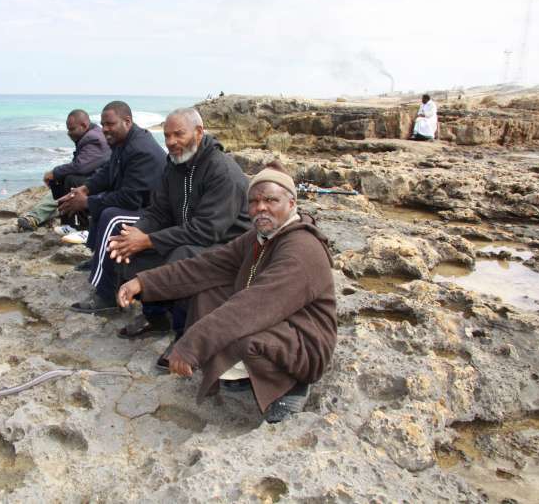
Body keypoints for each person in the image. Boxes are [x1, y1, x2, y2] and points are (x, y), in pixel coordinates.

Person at [116, 162, 338, 423]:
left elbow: (252, 307)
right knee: (206, 294)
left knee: (241, 336)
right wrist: (143, 282)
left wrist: (191, 345)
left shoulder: (301, 249)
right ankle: (245, 374)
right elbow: (206, 266)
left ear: (291, 204)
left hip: (306, 342)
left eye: (270, 200)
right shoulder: (260, 236)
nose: (260, 208)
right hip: (276, 319)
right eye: (254, 202)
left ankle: (291, 386)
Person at [104, 107, 250, 365]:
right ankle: (157, 316)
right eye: (167, 136)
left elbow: (208, 229)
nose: (171, 142)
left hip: (229, 245)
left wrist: (148, 239)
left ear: (199, 132)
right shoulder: (174, 165)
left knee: (180, 257)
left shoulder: (222, 171)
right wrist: (136, 233)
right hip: (191, 235)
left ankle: (185, 336)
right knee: (131, 250)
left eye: (178, 135)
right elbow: (158, 211)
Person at [59, 101, 166, 310]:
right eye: (102, 124)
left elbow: (130, 199)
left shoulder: (139, 149)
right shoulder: (123, 142)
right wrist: (86, 190)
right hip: (140, 204)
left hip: (155, 213)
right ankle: (97, 258)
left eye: (110, 124)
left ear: (127, 122)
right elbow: (108, 171)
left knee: (111, 215)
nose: (105, 129)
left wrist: (87, 202)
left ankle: (105, 294)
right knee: (101, 203)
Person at [17, 110, 110, 232]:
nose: (68, 133)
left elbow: (81, 167)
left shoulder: (93, 138)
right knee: (62, 188)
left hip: (99, 184)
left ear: (84, 125)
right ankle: (36, 217)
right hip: (95, 180)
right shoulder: (92, 134)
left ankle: (40, 218)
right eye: (68, 129)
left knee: (69, 184)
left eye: (72, 129)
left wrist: (54, 173)